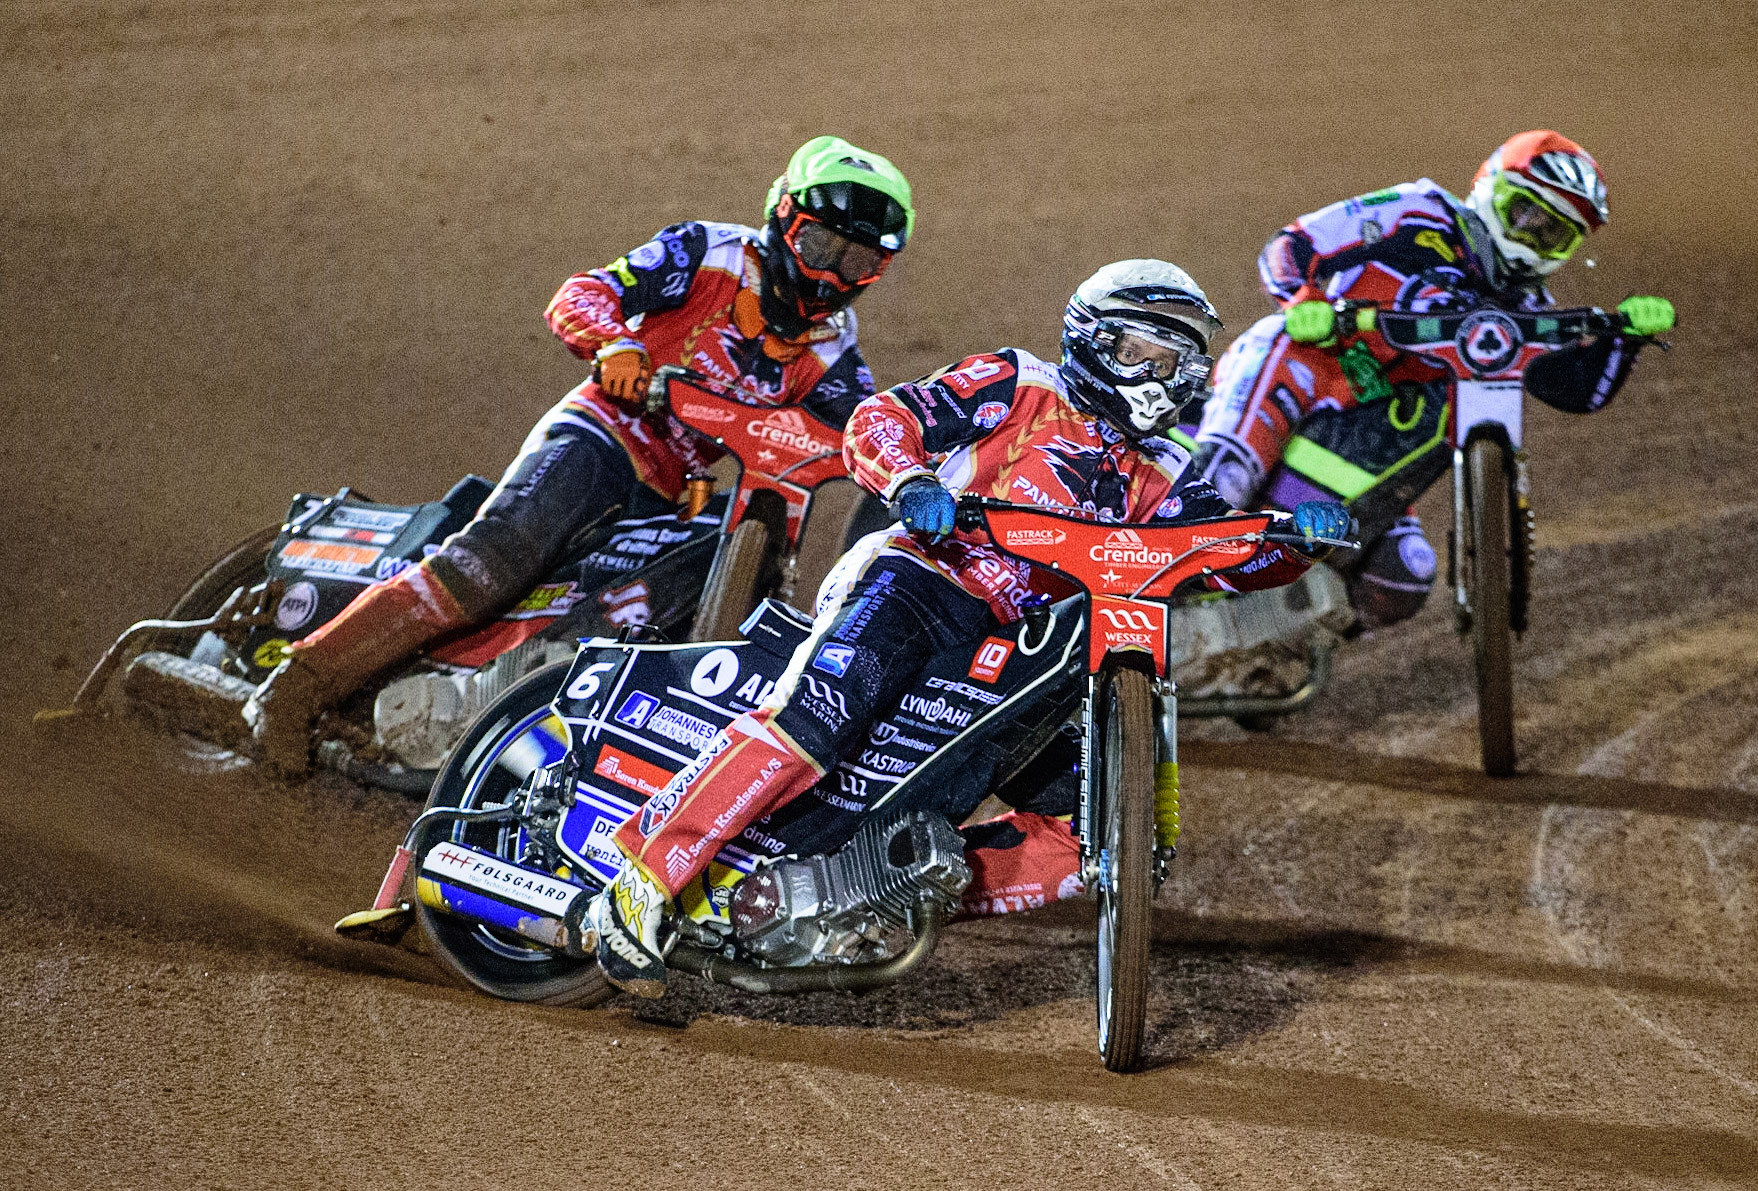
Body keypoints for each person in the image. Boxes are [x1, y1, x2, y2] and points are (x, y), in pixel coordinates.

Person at [582, 259, 1352, 997]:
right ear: (1091, 336)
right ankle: (642, 879)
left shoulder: (1165, 472)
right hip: (924, 577)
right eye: (1139, 351)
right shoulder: (1020, 384)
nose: (1155, 375)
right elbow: (883, 417)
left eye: (1173, 361)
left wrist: (1291, 540)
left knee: (1094, 837)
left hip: (1022, 649)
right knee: (817, 717)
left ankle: (882, 886)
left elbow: (1222, 553)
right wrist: (912, 479)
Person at [245, 136, 915, 775]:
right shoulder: (705, 253)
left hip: (680, 492)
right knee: (494, 558)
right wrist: (614, 345)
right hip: (604, 433)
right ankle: (295, 685)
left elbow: (856, 440)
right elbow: (581, 294)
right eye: (821, 244)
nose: (831, 273)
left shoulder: (837, 359)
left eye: (857, 261)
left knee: (711, 589)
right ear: (781, 216)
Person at [1185, 130, 1676, 627]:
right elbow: (1292, 245)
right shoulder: (1417, 210)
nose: (1530, 235)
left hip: (1380, 427)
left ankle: (1280, 644)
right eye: (1523, 212)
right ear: (1488, 187)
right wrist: (1302, 301)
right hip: (1315, 366)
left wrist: (1625, 338)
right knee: (1229, 470)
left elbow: (1573, 389)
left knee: (1404, 578)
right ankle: (1173, 544)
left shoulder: (1525, 311)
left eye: (1551, 232)